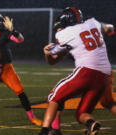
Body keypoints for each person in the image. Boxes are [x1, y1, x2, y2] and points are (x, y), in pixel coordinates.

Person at [38, 7, 112, 135]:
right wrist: (110, 30)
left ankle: (45, 131)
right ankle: (91, 124)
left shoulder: (65, 34)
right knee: (82, 114)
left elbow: (52, 60)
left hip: (87, 72)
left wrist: (46, 52)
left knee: (53, 96)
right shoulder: (93, 23)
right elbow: (108, 27)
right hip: (105, 76)